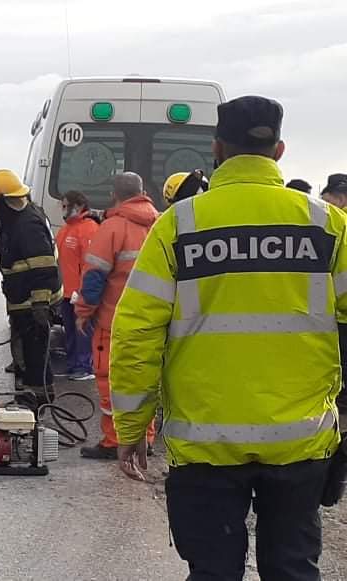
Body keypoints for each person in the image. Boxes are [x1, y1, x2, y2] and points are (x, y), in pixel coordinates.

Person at [110, 95, 347, 579]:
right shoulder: (326, 223)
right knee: (293, 568)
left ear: (217, 148)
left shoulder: (178, 225)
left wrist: (132, 428)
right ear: (278, 150)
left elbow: (136, 333)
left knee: (213, 571)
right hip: (299, 442)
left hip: (205, 444)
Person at [73, 173, 158, 459]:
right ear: (142, 191)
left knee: (110, 380)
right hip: (153, 322)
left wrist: (83, 312)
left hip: (115, 322)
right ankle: (145, 438)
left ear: (114, 195)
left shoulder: (111, 228)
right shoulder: (160, 224)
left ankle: (115, 440)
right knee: (145, 381)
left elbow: (94, 277)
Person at [0, 169, 61, 409]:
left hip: (33, 301)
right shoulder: (19, 218)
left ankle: (37, 400)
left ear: (5, 201)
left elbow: (43, 265)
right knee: (28, 353)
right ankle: (32, 397)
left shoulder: (26, 225)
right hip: (23, 298)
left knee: (34, 354)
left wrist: (40, 304)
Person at [55, 190, 98, 381]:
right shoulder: (66, 230)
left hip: (80, 292)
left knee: (83, 330)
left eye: (66, 206)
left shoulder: (88, 229)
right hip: (66, 292)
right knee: (71, 331)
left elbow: (91, 265)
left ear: (78, 206)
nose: (63, 210)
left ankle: (84, 366)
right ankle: (74, 364)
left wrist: (83, 291)